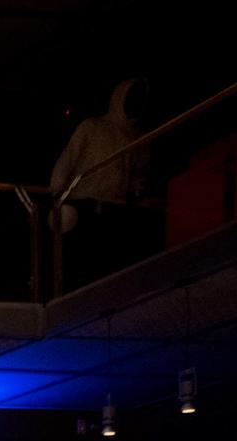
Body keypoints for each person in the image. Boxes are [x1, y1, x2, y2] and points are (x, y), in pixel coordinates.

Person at [50, 78, 154, 289]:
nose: (135, 103)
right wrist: (56, 198)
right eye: (132, 97)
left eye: (140, 99)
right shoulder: (92, 127)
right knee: (81, 269)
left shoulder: (140, 139)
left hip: (116, 210)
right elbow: (67, 161)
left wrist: (136, 189)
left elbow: (139, 173)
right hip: (83, 205)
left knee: (110, 271)